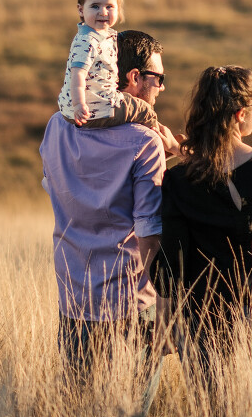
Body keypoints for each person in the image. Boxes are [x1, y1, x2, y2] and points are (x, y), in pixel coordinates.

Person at [39, 22, 177, 373]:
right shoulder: (145, 141)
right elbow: (149, 232)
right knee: (131, 406)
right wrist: (164, 305)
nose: (162, 87)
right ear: (134, 77)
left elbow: (62, 187)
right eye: (158, 78)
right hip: (131, 302)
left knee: (80, 404)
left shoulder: (57, 126)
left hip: (74, 297)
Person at [152, 65, 252, 356]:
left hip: (208, 323)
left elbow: (172, 263)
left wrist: (163, 324)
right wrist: (185, 152)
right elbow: (228, 177)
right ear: (241, 114)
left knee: (213, 390)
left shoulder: (179, 183)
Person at [58, 0, 159, 131]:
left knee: (128, 101)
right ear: (81, 10)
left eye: (109, 6)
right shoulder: (87, 41)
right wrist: (78, 105)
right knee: (144, 110)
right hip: (94, 109)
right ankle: (160, 140)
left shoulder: (103, 35)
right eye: (95, 6)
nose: (103, 12)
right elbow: (77, 75)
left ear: (118, 10)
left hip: (94, 104)